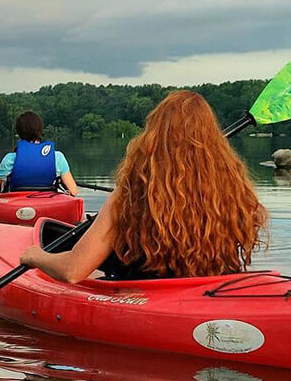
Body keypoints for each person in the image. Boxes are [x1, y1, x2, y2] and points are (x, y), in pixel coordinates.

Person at [20, 90, 267, 282]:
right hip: (205, 293)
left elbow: (74, 271)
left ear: (153, 138)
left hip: (148, 296)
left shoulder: (130, 195)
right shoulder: (232, 191)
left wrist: (35, 256)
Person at [0, 110, 79, 196]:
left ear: (19, 133)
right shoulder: (58, 157)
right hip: (46, 202)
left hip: (18, 203)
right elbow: (73, 191)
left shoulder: (10, 159)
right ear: (40, 130)